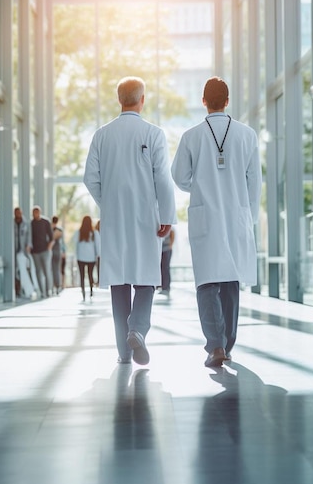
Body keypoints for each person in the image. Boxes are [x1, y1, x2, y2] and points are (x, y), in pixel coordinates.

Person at [84, 76, 177, 365]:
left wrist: (108, 204)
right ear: (142, 99)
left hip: (114, 220)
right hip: (145, 218)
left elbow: (90, 178)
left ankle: (124, 353)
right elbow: (162, 177)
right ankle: (137, 328)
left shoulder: (102, 134)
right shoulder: (153, 133)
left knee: (119, 282)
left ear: (118, 99)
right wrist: (166, 217)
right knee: (147, 277)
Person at [171, 76, 262, 367]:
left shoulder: (192, 136)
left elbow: (179, 177)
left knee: (208, 282)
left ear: (203, 102)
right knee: (231, 281)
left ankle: (215, 345)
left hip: (205, 215)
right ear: (227, 101)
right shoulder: (247, 135)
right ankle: (228, 343)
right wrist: (249, 215)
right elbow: (254, 182)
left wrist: (198, 186)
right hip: (236, 215)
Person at [73, 215, 101, 302]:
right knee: (90, 274)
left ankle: (83, 291)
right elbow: (98, 245)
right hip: (91, 258)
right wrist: (98, 255)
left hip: (80, 257)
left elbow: (75, 244)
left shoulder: (79, 232)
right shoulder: (94, 233)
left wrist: (76, 255)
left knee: (82, 275)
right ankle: (91, 291)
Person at [31, 205, 54, 298]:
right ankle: (42, 292)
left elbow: (52, 237)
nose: (35, 214)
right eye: (34, 213)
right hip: (35, 252)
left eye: (36, 212)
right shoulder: (31, 223)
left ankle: (49, 290)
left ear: (39, 213)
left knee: (47, 271)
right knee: (38, 272)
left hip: (45, 251)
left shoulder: (46, 222)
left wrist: (49, 248)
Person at [14, 207, 37, 298]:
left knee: (24, 271)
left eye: (19, 213)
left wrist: (29, 246)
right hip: (14, 251)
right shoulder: (12, 223)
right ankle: (19, 290)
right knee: (17, 272)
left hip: (23, 251)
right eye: (16, 213)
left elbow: (29, 236)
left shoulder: (26, 223)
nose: (18, 215)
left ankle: (28, 290)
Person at [159, 226, 175, 298]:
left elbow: (172, 233)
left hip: (166, 249)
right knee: (160, 268)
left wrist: (170, 245)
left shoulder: (168, 225)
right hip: (160, 249)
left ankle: (166, 287)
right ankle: (160, 286)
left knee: (165, 268)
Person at [51, 216, 64, 295]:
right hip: (58, 251)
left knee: (53, 270)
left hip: (52, 251)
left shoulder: (51, 229)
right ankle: (58, 286)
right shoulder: (60, 230)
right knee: (57, 269)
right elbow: (62, 243)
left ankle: (55, 286)